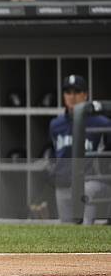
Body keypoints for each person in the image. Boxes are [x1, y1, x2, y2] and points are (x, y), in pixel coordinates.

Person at [49, 74, 111, 224]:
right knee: (68, 234)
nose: (72, 97)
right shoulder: (56, 124)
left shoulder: (102, 123)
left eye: (76, 92)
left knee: (85, 228)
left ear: (85, 95)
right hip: (63, 185)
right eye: (68, 92)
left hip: (90, 184)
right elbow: (55, 153)